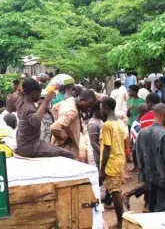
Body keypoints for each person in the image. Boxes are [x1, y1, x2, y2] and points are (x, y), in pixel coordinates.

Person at [15, 78, 74, 159]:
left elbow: (19, 95)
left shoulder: (21, 102)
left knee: (54, 147)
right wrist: (46, 101)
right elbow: (35, 121)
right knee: (69, 154)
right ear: (34, 93)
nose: (40, 96)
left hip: (22, 145)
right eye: (39, 94)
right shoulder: (29, 107)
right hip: (30, 148)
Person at [98, 97, 126, 228]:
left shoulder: (107, 125)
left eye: (100, 107)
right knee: (117, 191)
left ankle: (120, 223)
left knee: (115, 193)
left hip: (111, 163)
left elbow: (107, 148)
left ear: (106, 108)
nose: (100, 110)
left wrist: (102, 170)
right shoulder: (120, 123)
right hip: (120, 160)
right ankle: (121, 220)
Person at [51, 90, 98, 159]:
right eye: (88, 105)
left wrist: (57, 119)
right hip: (65, 149)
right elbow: (54, 128)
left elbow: (54, 108)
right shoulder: (72, 112)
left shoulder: (70, 100)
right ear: (81, 100)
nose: (89, 109)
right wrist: (65, 138)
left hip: (59, 146)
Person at [87, 100, 103, 168]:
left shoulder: (99, 120)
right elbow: (93, 142)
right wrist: (102, 153)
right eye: (101, 109)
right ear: (96, 110)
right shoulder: (92, 124)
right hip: (99, 157)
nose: (103, 111)